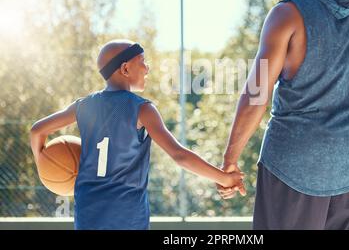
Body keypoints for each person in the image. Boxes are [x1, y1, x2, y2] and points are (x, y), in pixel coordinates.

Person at [217, 0, 349, 230]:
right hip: (346, 169)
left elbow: (256, 93)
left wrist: (229, 160)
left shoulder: (286, 13)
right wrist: (341, 155)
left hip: (291, 165)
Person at [30, 39, 244, 230]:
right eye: (142, 60)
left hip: (88, 214)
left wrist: (47, 165)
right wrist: (224, 177)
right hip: (126, 216)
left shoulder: (83, 106)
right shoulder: (142, 109)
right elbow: (178, 155)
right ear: (125, 68)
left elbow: (37, 130)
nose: (147, 67)